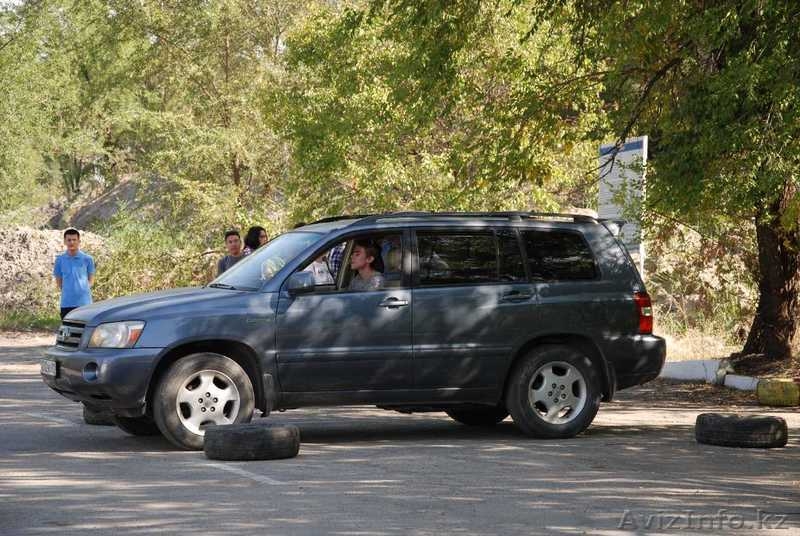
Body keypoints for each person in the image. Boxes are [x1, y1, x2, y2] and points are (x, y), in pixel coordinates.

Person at [53, 228, 96, 319]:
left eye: (74, 240)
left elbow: (91, 281)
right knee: (68, 331)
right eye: (69, 240)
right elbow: (59, 282)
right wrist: (69, 291)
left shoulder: (88, 259)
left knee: (86, 331)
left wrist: (82, 290)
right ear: (65, 242)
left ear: (79, 241)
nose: (71, 242)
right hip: (66, 303)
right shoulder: (59, 260)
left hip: (85, 303)